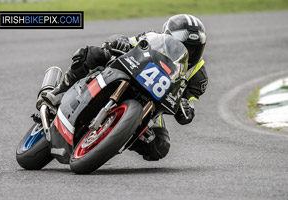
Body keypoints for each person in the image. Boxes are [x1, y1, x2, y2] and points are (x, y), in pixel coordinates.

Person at [41, 14, 208, 161]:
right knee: (92, 53)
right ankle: (59, 92)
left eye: (194, 50)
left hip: (154, 101)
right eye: (183, 46)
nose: (188, 53)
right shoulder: (153, 37)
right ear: (168, 36)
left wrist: (186, 109)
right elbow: (125, 41)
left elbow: (188, 105)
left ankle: (119, 136)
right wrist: (119, 41)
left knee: (160, 147)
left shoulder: (198, 75)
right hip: (128, 73)